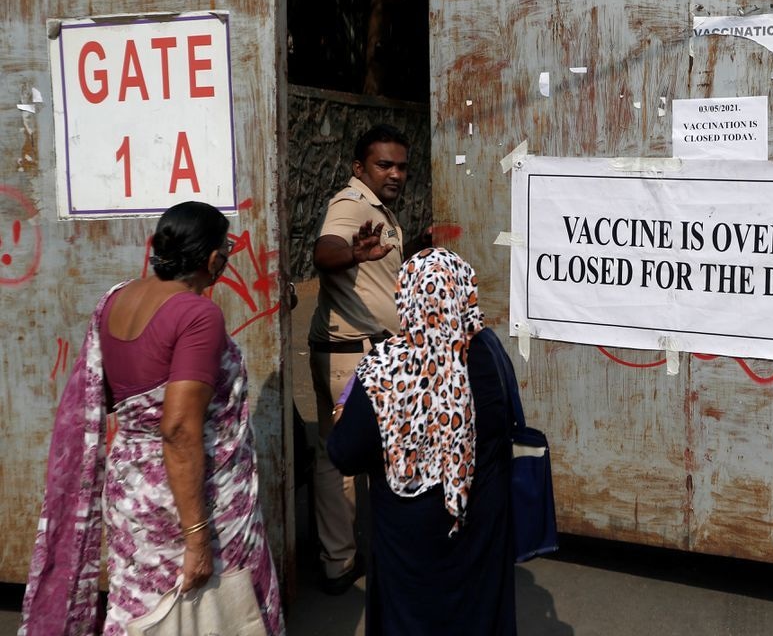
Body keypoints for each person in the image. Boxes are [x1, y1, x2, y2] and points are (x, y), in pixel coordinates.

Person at [19, 202, 285, 635]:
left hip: (132, 493)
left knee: (142, 611)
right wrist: (197, 537)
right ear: (213, 259)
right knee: (216, 611)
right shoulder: (198, 316)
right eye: (226, 249)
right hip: (189, 501)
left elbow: (108, 393)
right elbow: (179, 428)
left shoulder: (115, 300)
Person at [328, 248, 517, 635]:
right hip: (479, 533)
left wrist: (342, 417)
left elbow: (344, 453)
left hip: (409, 550)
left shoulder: (383, 370)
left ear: (406, 296)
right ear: (465, 291)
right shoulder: (490, 354)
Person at [308, 123, 416, 594]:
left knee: (367, 452)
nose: (395, 174)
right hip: (350, 357)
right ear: (359, 168)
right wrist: (350, 252)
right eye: (384, 165)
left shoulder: (380, 211)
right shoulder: (350, 204)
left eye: (401, 166)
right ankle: (338, 563)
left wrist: (415, 247)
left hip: (371, 352)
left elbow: (378, 273)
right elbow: (325, 251)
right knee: (339, 457)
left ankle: (354, 553)